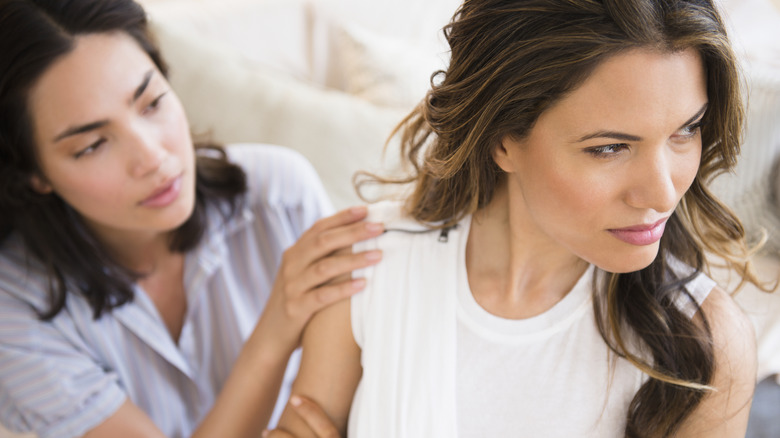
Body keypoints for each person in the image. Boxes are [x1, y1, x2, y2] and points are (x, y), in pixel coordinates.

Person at [274, 0, 769, 436]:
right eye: (610, 148)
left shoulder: (704, 344)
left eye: (687, 130)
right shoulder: (368, 267)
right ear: (502, 140)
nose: (663, 192)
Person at [0, 0, 384, 437]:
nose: (153, 157)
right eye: (92, 145)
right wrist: (273, 335)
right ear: (34, 173)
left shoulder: (279, 196)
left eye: (151, 102)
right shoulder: (14, 306)